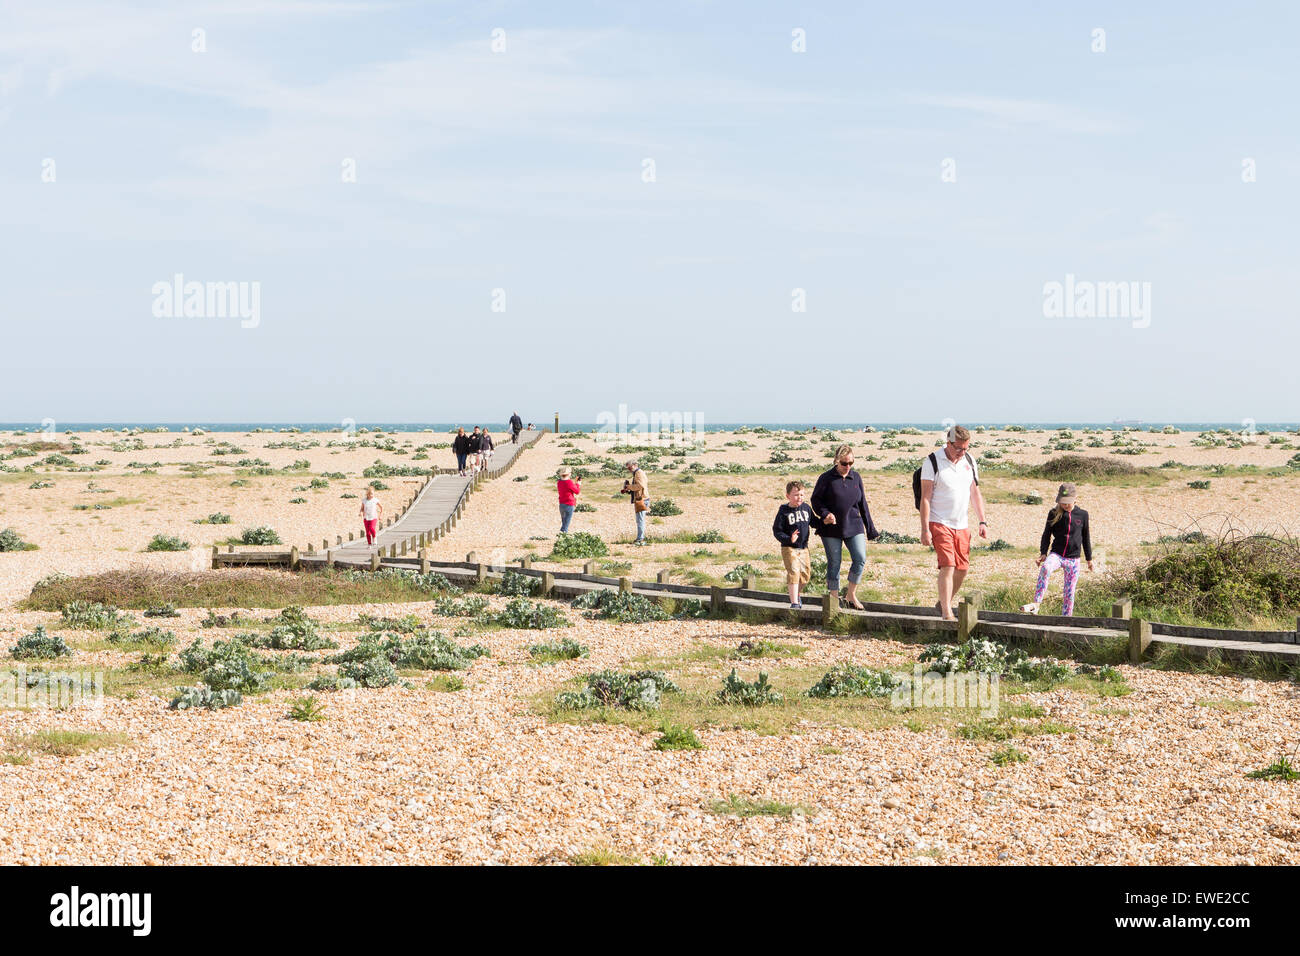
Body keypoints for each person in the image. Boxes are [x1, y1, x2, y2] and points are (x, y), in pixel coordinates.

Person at [919, 424, 988, 621]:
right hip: (939, 521)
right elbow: (925, 497)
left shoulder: (969, 460)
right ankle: (947, 613)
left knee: (962, 568)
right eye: (958, 448)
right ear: (948, 443)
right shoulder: (932, 461)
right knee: (948, 565)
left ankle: (943, 602)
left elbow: (974, 492)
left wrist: (982, 521)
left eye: (966, 448)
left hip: (962, 523)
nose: (962, 452)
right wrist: (925, 529)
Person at [810, 444, 879, 609]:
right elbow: (815, 500)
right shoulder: (826, 478)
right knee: (834, 562)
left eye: (851, 463)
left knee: (860, 558)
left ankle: (850, 595)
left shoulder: (856, 478)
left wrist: (870, 528)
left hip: (853, 525)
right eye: (844, 463)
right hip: (831, 528)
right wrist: (825, 513)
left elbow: (863, 504)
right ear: (836, 461)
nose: (847, 467)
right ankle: (833, 599)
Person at [1023, 483, 1093, 616]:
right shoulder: (1054, 513)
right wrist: (1043, 553)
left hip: (1074, 560)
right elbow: (1046, 534)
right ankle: (1036, 604)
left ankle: (1066, 620)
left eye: (1068, 502)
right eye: (1062, 502)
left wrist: (1089, 559)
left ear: (1075, 498)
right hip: (1057, 555)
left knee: (1069, 592)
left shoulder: (1083, 515)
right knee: (1046, 568)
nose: (1065, 505)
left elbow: (1086, 537)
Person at [773, 479, 819, 609]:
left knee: (805, 575)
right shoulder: (784, 511)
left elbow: (814, 522)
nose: (799, 497)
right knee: (794, 572)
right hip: (789, 548)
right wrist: (788, 539)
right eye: (796, 495)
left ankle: (797, 595)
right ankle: (794, 602)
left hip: (804, 547)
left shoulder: (806, 508)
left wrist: (826, 522)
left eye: (802, 495)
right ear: (788, 496)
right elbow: (777, 530)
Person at [620, 459, 649, 545]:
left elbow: (640, 486)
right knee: (640, 519)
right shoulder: (637, 473)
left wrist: (629, 487)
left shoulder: (638, 473)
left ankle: (640, 539)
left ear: (634, 465)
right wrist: (629, 489)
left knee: (640, 520)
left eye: (629, 467)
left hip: (641, 499)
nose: (629, 469)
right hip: (641, 498)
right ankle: (640, 538)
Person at [557, 466, 581, 533]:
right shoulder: (569, 482)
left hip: (561, 504)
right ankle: (563, 538)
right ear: (569, 474)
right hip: (569, 505)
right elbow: (577, 491)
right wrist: (578, 484)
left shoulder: (559, 482)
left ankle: (562, 537)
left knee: (564, 523)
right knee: (565, 525)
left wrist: (575, 483)